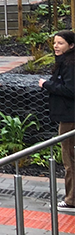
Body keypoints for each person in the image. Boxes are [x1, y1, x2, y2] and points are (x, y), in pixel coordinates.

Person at [39, 30, 75, 213]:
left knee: (68, 158)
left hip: (69, 117)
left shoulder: (70, 65)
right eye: (54, 42)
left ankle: (71, 199)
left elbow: (70, 90)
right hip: (67, 115)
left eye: (60, 43)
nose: (55, 46)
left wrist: (46, 84)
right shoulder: (65, 62)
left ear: (71, 45)